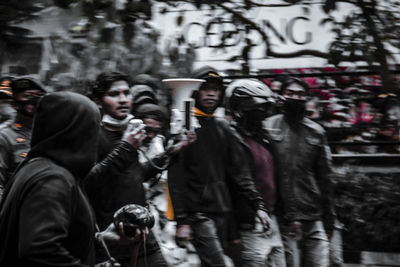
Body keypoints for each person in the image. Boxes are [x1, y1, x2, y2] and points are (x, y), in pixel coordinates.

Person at [0, 91, 131, 266]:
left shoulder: (37, 166)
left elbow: (57, 238)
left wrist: (98, 240)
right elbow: (40, 251)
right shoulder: (52, 180)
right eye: (92, 130)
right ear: (75, 133)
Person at [168, 66, 270, 267]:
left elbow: (239, 173)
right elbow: (176, 177)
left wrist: (257, 205)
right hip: (198, 215)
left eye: (216, 89)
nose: (211, 93)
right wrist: (183, 221)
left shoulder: (223, 128)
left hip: (222, 212)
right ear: (196, 92)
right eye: (206, 88)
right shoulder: (183, 127)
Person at [84, 71, 169, 267]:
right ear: (98, 101)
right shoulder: (93, 134)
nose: (123, 100)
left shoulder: (130, 132)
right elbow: (89, 182)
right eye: (114, 94)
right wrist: (127, 147)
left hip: (143, 235)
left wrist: (172, 151)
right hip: (111, 237)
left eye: (126, 93)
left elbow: (136, 175)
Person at [264, 77, 337, 267]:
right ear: (282, 96)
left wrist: (329, 215)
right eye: (290, 94)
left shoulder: (316, 132)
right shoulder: (268, 127)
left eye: (300, 94)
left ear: (306, 98)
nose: (295, 98)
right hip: (283, 217)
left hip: (312, 214)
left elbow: (325, 176)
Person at [225, 79, 285, 267]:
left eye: (263, 112)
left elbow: (278, 177)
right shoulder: (231, 139)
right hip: (249, 222)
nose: (261, 116)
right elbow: (238, 182)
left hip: (270, 218)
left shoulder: (264, 139)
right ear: (241, 111)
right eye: (255, 112)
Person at [0, 76, 47, 200]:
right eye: (28, 96)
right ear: (14, 104)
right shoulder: (4, 136)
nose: (34, 101)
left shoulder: (50, 132)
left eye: (39, 96)